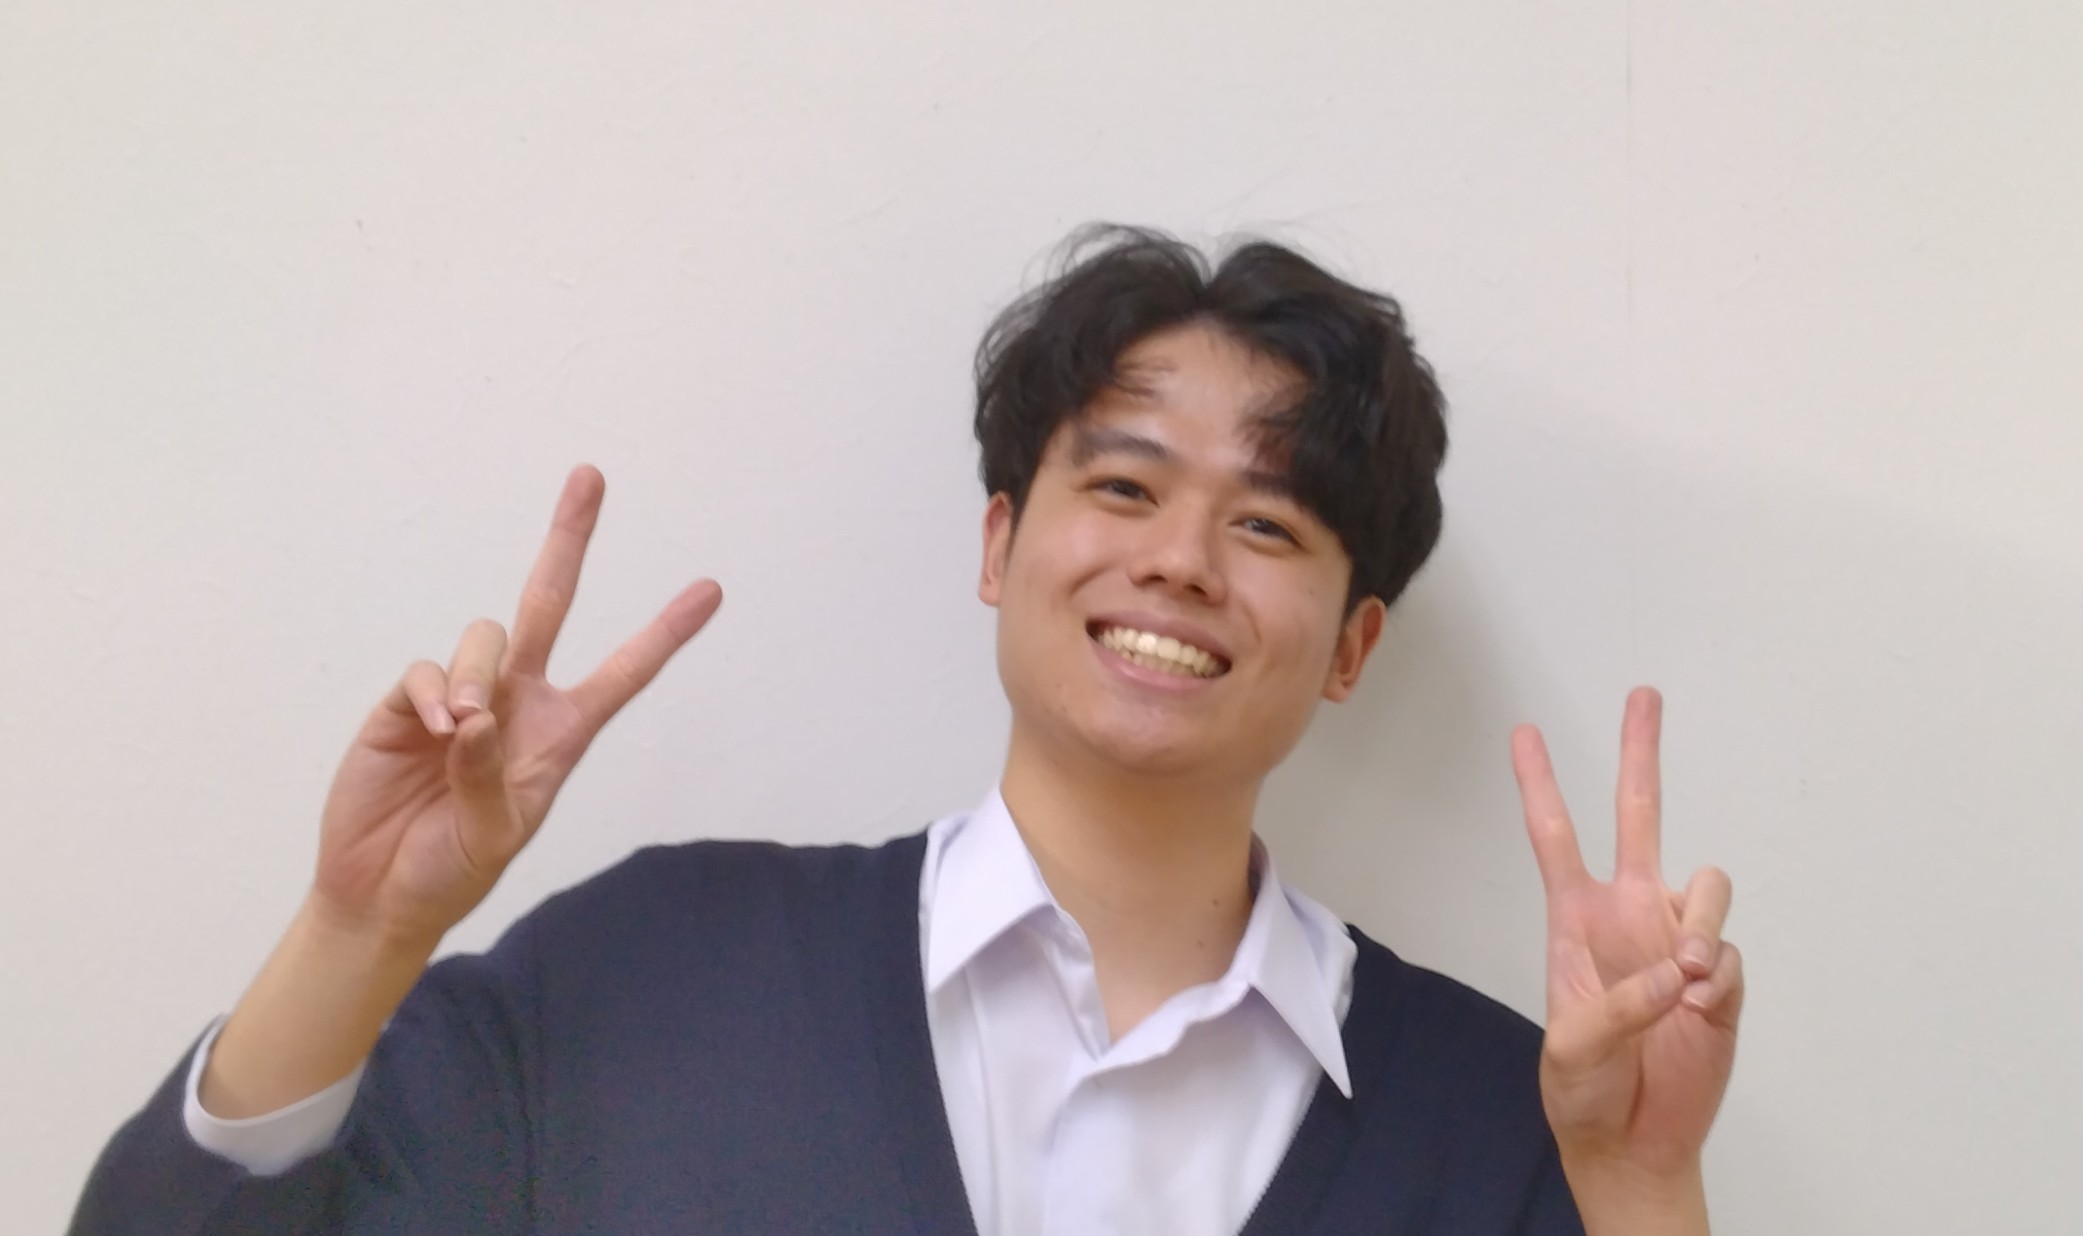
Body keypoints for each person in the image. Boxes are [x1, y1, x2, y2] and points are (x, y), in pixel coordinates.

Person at [69, 225, 1743, 1235]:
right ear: (1000, 544)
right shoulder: (650, 971)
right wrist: (360, 930)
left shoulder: (1505, 1116)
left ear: (1352, 646)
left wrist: (1645, 1191)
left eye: (1267, 523)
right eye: (1124, 486)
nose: (1179, 557)